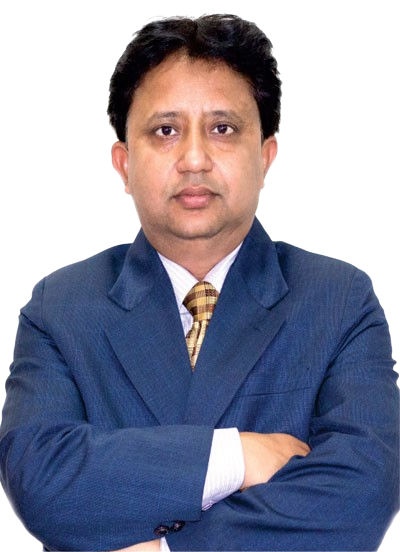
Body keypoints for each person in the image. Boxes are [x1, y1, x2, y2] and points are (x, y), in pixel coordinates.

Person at [0, 13, 398, 552]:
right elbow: (42, 481)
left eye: (222, 129)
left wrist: (170, 550)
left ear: (266, 156)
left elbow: (363, 490)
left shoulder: (338, 300)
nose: (194, 159)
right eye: (165, 130)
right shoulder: (62, 307)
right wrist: (236, 456)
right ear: (123, 163)